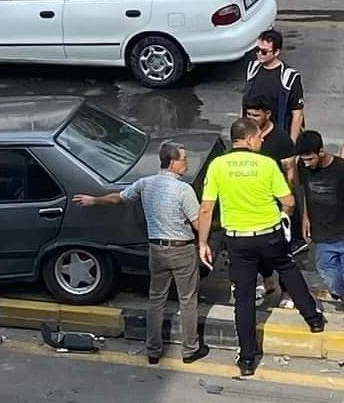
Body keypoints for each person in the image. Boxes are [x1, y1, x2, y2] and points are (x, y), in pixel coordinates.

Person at [198, 118, 324, 378]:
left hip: (237, 240)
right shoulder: (266, 164)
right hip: (269, 235)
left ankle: (246, 359)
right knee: (287, 269)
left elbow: (207, 208)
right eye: (258, 137)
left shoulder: (217, 166)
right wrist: (284, 215)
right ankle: (314, 319)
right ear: (246, 139)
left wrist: (203, 242)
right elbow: (288, 200)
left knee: (243, 298)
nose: (262, 140)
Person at [73, 142, 209, 365]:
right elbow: (197, 223)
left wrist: (94, 200)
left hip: (156, 249)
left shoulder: (145, 184)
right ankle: (189, 349)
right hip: (182, 249)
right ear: (174, 163)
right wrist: (208, 229)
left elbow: (119, 197)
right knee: (187, 300)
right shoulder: (184, 190)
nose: (187, 163)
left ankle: (153, 350)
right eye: (184, 159)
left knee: (156, 299)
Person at [244, 94, 300, 304]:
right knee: (256, 249)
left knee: (283, 252)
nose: (251, 118)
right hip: (254, 205)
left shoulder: (281, 139)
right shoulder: (247, 137)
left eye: (256, 115)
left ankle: (287, 293)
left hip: (278, 206)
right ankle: (268, 283)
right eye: (248, 114)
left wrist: (288, 203)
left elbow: (290, 171)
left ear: (267, 114)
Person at [297, 131, 344, 305]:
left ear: (321, 152)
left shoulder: (340, 169)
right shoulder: (302, 166)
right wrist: (305, 218)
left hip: (342, 230)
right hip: (322, 234)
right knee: (328, 273)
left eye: (310, 159)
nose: (307, 164)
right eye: (304, 160)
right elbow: (304, 192)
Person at [242, 29, 304, 143]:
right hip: (253, 135)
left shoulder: (289, 77)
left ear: (276, 52)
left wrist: (291, 143)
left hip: (276, 135)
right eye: (257, 50)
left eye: (264, 52)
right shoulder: (252, 69)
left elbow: (297, 114)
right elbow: (246, 101)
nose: (259, 54)